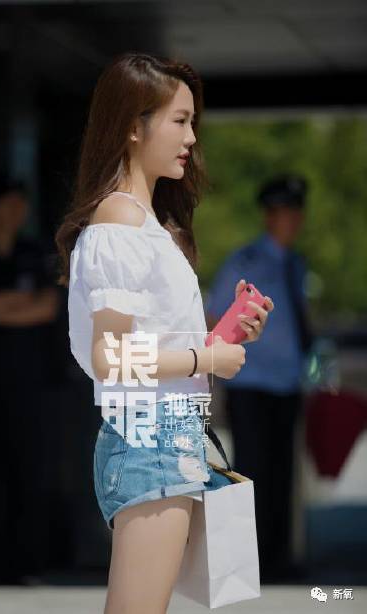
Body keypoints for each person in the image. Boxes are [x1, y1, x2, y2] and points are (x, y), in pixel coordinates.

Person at [55, 52, 274, 614]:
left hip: (163, 435)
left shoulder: (144, 222)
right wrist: (207, 358)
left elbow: (148, 347)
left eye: (191, 122)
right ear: (134, 126)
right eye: (179, 121)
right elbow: (110, 358)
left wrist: (225, 336)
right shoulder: (121, 221)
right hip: (150, 438)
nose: (191, 138)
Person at [205, 174, 313, 583]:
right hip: (251, 385)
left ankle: (279, 556)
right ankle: (249, 560)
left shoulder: (296, 264)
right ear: (270, 216)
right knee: (251, 473)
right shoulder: (245, 262)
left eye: (297, 212)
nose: (294, 220)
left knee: (284, 473)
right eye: (286, 212)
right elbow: (216, 318)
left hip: (287, 384)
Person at [0, 174, 59, 585]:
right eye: (9, 201)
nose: (17, 210)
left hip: (28, 380)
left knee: (27, 468)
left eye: (22, 202)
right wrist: (15, 304)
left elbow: (46, 308)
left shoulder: (35, 252)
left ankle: (24, 565)